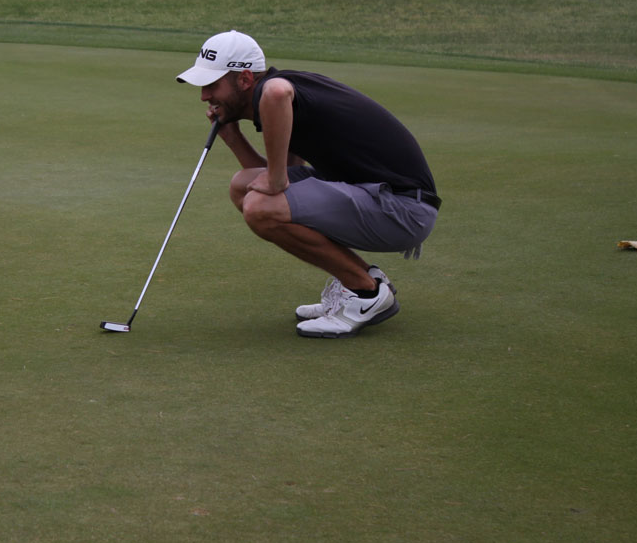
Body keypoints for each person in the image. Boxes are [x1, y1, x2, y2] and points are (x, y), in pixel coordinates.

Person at [175, 30, 440, 338]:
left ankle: (366, 293)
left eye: (212, 85)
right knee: (243, 187)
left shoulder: (273, 92)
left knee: (260, 206)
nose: (204, 96)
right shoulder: (288, 100)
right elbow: (281, 180)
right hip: (375, 197)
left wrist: (276, 180)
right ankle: (360, 279)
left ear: (245, 79)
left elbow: (276, 96)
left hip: (403, 209)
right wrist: (233, 138)